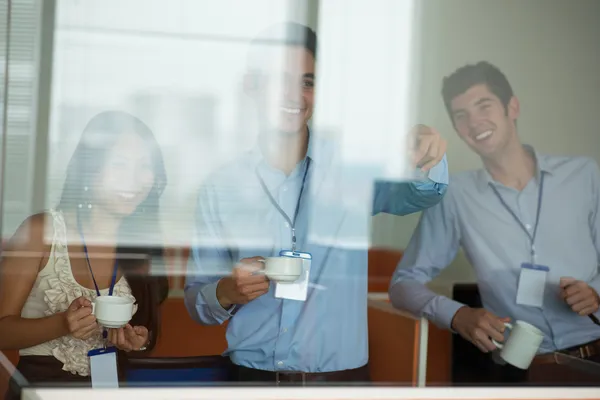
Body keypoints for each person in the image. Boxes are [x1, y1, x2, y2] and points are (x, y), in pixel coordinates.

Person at [184, 22, 449, 385]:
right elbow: (197, 298)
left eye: (307, 82)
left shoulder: (353, 166)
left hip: (340, 382)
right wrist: (227, 292)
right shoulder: (221, 186)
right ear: (252, 84)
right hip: (250, 380)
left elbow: (422, 194)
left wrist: (426, 154)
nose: (295, 95)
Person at [389, 61, 600, 385]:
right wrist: (457, 315)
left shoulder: (584, 175)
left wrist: (596, 293)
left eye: (483, 105)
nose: (474, 122)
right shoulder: (453, 196)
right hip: (521, 374)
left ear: (511, 107)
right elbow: (403, 284)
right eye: (461, 115)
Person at [0, 111, 169, 399]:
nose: (134, 180)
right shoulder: (42, 232)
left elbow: (148, 331)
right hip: (40, 391)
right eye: (119, 164)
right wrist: (61, 324)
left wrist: (138, 341)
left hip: (111, 390)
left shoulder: (143, 243)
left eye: (144, 166)